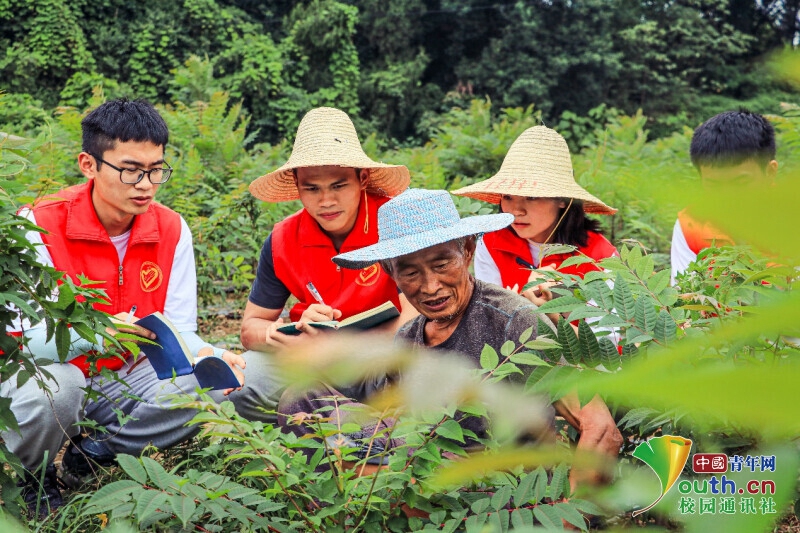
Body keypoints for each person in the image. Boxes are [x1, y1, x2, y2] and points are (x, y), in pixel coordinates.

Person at [1, 99, 276, 516]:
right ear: (88, 164)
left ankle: (96, 452)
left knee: (243, 376)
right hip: (58, 375)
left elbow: (181, 327)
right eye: (130, 169)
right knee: (57, 390)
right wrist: (93, 333)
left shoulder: (170, 228)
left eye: (156, 169)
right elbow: (26, 345)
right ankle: (31, 479)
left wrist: (209, 354)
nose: (145, 183)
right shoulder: (40, 223)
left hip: (131, 376)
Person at [284, 189, 623, 487]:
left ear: (467, 251)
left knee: (415, 456)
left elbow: (602, 430)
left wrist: (568, 514)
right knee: (299, 399)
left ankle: (381, 487)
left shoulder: (514, 321)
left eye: (442, 263)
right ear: (391, 273)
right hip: (422, 467)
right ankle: (376, 490)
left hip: (501, 487)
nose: (430, 287)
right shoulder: (409, 338)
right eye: (411, 272)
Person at [241, 107, 417, 352]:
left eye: (338, 186)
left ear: (363, 179)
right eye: (312, 189)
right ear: (297, 184)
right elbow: (250, 328)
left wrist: (340, 346)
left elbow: (414, 320)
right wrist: (284, 333)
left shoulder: (396, 223)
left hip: (386, 352)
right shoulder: (282, 240)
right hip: (309, 355)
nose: (326, 201)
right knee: (244, 380)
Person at [452, 126, 617, 306]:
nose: (516, 211)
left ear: (562, 199)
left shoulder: (599, 256)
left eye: (531, 197)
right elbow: (488, 316)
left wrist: (548, 313)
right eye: (507, 197)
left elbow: (606, 334)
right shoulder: (492, 244)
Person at [670, 110, 778, 283]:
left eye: (740, 182)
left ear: (770, 172)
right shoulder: (690, 225)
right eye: (714, 185)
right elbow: (684, 301)